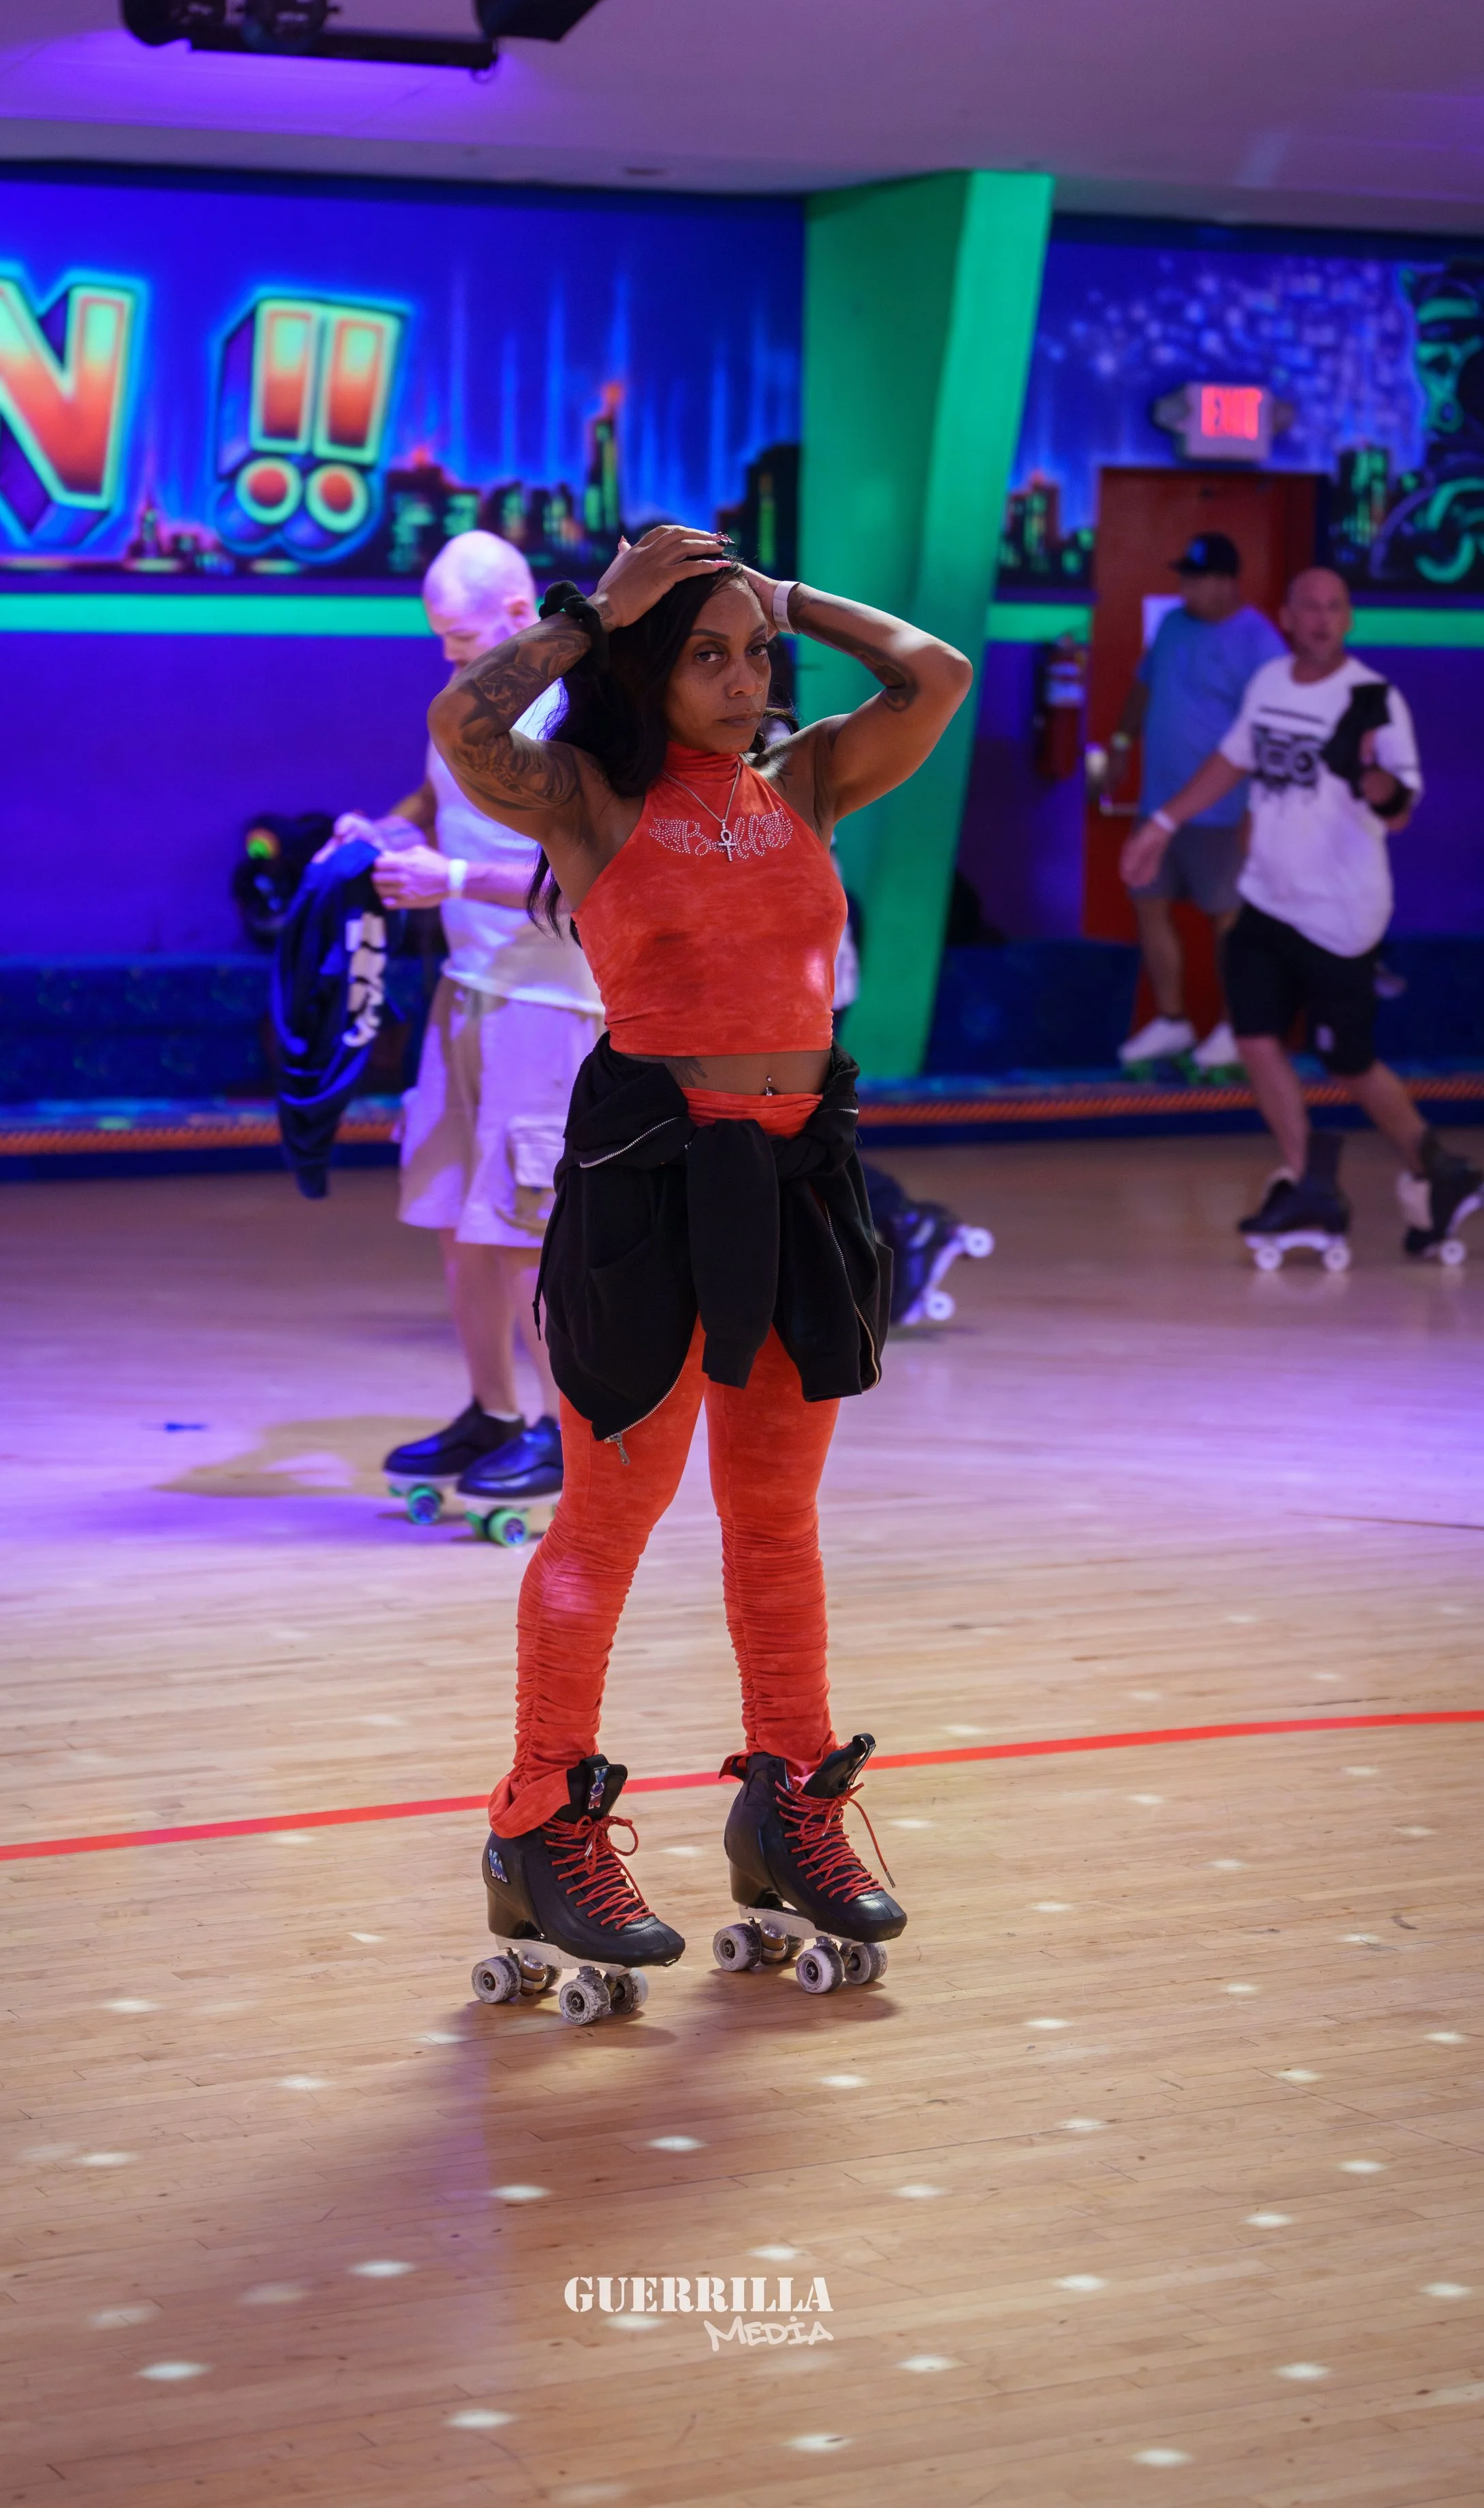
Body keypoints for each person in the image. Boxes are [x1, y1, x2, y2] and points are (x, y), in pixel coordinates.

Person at [428, 525, 972, 2006]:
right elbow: (463, 721)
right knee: (607, 1518)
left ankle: (788, 1798)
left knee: (774, 1513)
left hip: (795, 1176)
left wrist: (778, 591)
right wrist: (600, 617)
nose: (742, 682)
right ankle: (541, 1817)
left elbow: (934, 673)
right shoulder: (590, 798)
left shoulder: (800, 782)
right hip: (651, 1179)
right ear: (644, 669)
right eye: (707, 656)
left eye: (756, 657)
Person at [1121, 567, 1484, 1254]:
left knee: (1349, 1062)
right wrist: (1161, 824)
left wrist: (1374, 778)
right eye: (1309, 607)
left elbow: (1401, 809)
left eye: (1334, 607)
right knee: (1256, 1039)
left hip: (1341, 915)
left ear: (1347, 619)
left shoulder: (1373, 699)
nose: (1321, 619)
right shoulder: (1267, 686)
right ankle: (1306, 1182)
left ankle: (1438, 1168)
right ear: (1287, 617)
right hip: (1265, 898)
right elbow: (1231, 760)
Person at [362, 533, 604, 1511]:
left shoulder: (575, 714)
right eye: (439, 640)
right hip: (470, 985)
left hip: (551, 1001)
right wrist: (386, 831)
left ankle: (564, 1430)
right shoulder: (469, 699)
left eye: (461, 638)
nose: (448, 657)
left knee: (525, 1228)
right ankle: (492, 1411)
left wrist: (453, 879)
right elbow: (439, 795)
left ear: (518, 617)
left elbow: (595, 883)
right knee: (458, 1222)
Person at [1109, 532, 1284, 1075]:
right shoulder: (1173, 626)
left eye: (1197, 577)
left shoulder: (1262, 644)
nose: (1185, 586)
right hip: (1158, 805)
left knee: (1228, 919)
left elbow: (1272, 737)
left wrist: (1258, 811)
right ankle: (1173, 1019)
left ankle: (1236, 1028)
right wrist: (1120, 743)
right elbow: (1144, 687)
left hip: (1224, 810)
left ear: (1228, 582)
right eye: (1183, 576)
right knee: (1149, 901)